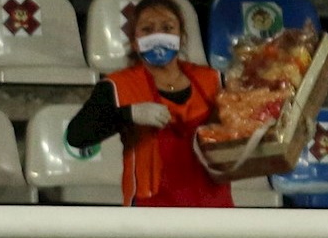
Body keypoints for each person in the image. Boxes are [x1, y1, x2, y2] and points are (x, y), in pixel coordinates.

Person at [65, 0, 230, 210]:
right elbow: (77, 135)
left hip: (215, 213)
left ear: (181, 37)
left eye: (168, 28)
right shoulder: (117, 86)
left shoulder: (213, 80)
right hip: (150, 215)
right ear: (134, 41)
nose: (158, 35)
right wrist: (128, 114)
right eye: (147, 29)